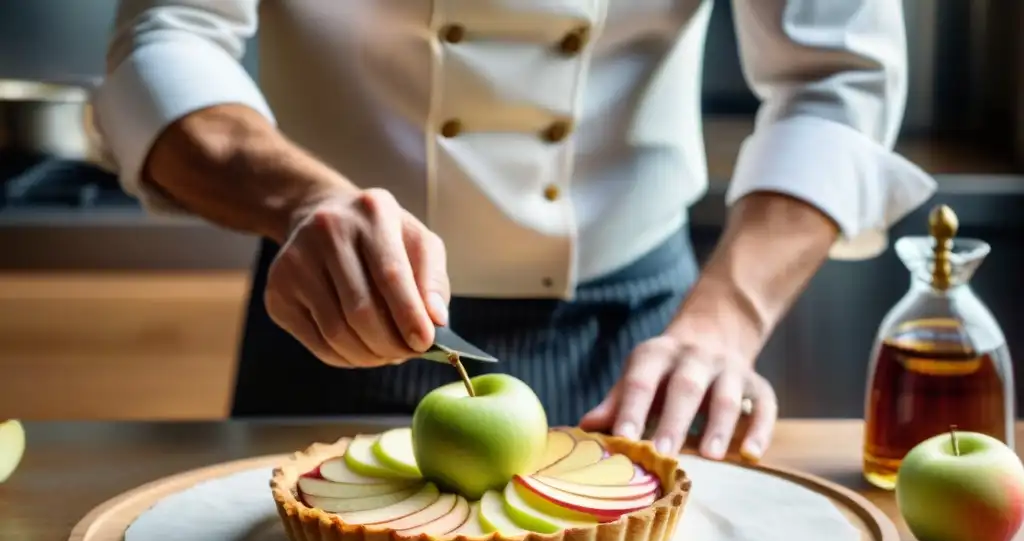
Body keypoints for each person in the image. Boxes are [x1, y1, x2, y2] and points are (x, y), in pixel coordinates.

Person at [90, 0, 935, 460]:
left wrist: (725, 323)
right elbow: (164, 40)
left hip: (646, 350)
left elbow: (836, 81)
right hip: (326, 306)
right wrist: (303, 203)